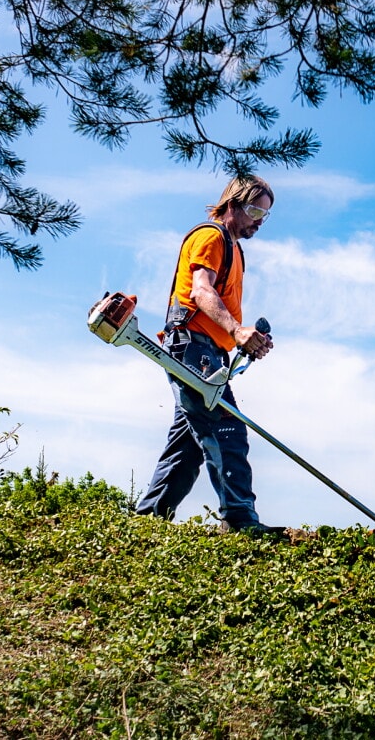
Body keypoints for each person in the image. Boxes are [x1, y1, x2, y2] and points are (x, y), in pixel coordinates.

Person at [135, 176, 277, 534]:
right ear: (231, 204)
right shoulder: (211, 237)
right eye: (253, 209)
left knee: (188, 445)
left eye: (265, 214)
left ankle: (148, 520)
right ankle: (240, 520)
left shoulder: (234, 249)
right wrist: (236, 330)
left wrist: (246, 339)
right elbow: (200, 291)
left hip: (209, 351)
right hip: (192, 347)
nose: (259, 219)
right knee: (226, 428)